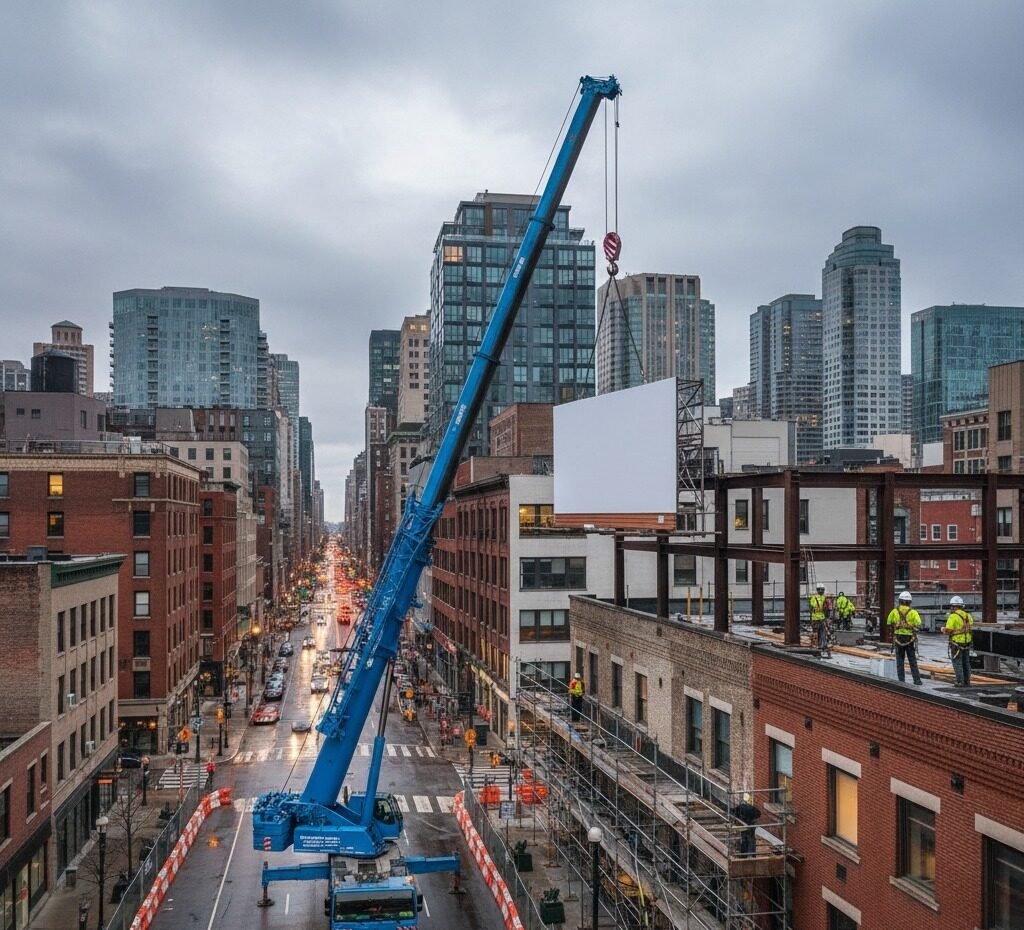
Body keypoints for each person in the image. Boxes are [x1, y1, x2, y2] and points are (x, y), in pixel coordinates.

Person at [887, 590, 923, 685]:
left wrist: (895, 629)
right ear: (909, 602)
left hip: (898, 638)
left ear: (900, 601)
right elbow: (918, 625)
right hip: (909, 638)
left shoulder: (894, 611)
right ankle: (917, 680)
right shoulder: (913, 612)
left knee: (900, 660)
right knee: (912, 660)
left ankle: (901, 681)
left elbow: (889, 623)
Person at [944, 595, 974, 687]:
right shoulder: (968, 616)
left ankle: (959, 681)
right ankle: (967, 681)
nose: (951, 608)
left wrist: (943, 630)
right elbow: (971, 627)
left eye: (952, 607)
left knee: (957, 662)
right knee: (966, 662)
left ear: (954, 606)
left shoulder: (953, 616)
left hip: (956, 644)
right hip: (967, 643)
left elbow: (948, 630)